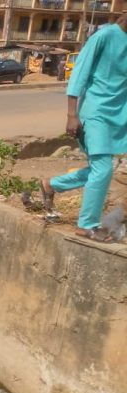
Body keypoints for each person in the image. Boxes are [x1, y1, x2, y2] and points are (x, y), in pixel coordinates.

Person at [41, 12, 127, 242]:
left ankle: (51, 184)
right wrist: (72, 114)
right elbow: (78, 74)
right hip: (95, 111)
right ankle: (86, 225)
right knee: (103, 168)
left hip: (117, 115)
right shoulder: (105, 36)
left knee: (99, 170)